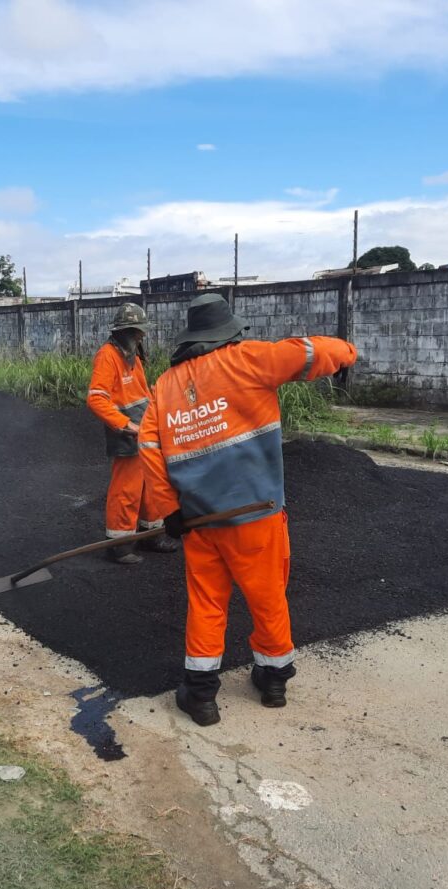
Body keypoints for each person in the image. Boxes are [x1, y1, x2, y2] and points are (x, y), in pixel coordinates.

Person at [138, 294, 358, 726]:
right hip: (256, 515)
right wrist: (347, 354)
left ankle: (200, 695)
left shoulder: (164, 386)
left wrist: (170, 510)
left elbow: (148, 447)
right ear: (230, 332)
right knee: (267, 596)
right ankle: (274, 680)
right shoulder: (250, 359)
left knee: (205, 603)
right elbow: (313, 351)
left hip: (199, 520)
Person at [86, 302, 179, 564]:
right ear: (125, 331)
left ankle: (152, 533)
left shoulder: (133, 356)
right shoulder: (108, 356)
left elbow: (141, 392)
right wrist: (126, 425)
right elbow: (96, 399)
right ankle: (120, 545)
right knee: (126, 489)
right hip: (126, 433)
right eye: (138, 331)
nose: (142, 335)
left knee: (151, 484)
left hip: (145, 430)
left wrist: (155, 414)